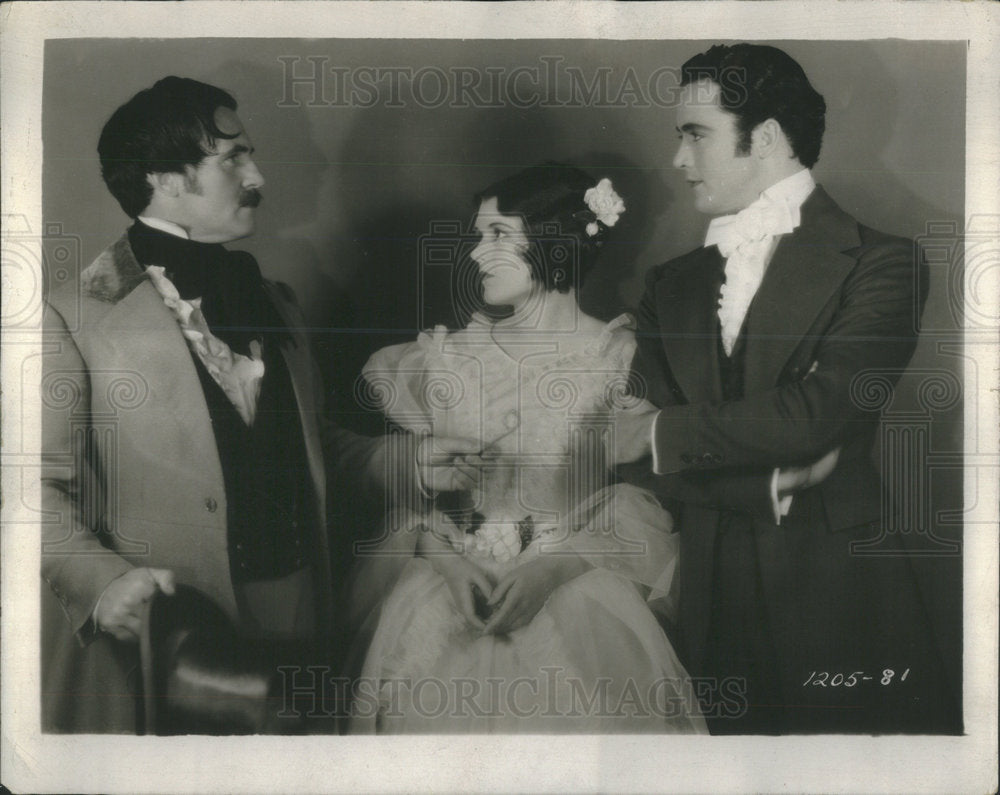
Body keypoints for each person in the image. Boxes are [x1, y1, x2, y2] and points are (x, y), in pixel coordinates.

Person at [40, 76, 479, 733]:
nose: (258, 174)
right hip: (165, 640)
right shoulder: (70, 315)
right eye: (233, 158)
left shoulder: (275, 301)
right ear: (167, 179)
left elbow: (310, 447)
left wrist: (409, 462)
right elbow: (28, 490)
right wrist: (100, 584)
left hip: (305, 611)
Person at [615, 44, 959, 733]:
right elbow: (630, 456)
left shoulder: (884, 262)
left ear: (766, 137)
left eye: (695, 133)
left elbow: (816, 416)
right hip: (705, 599)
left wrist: (661, 433)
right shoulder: (670, 284)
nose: (678, 160)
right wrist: (762, 482)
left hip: (842, 595)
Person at [346, 164, 707, 733]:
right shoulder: (446, 356)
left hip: (574, 593)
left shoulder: (618, 357)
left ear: (554, 241)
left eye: (497, 236)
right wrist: (446, 558)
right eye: (476, 237)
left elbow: (645, 502)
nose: (475, 255)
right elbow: (417, 491)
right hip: (448, 592)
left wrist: (554, 569)